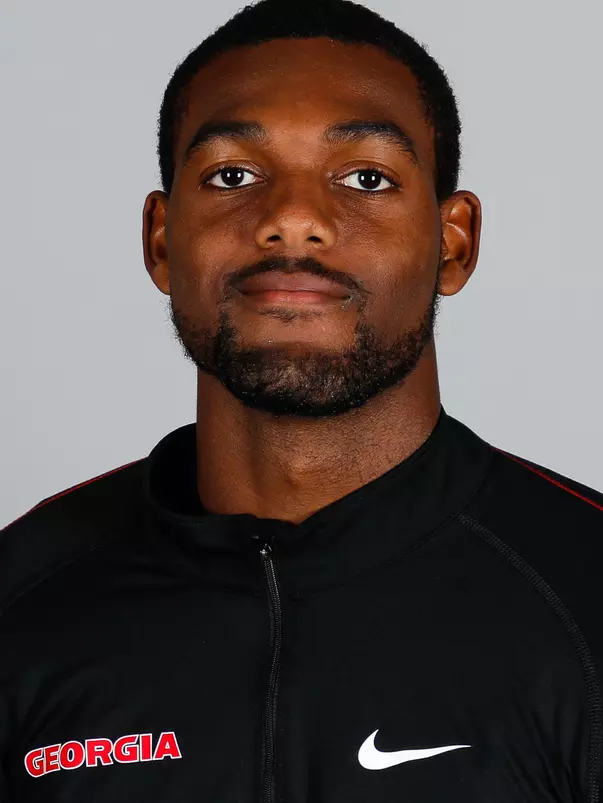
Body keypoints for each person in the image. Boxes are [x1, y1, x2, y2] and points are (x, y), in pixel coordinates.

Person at [1, 0, 602, 800]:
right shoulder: (22, 597)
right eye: (232, 176)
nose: (290, 219)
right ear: (160, 238)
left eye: (365, 177)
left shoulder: (584, 589)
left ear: (453, 242)